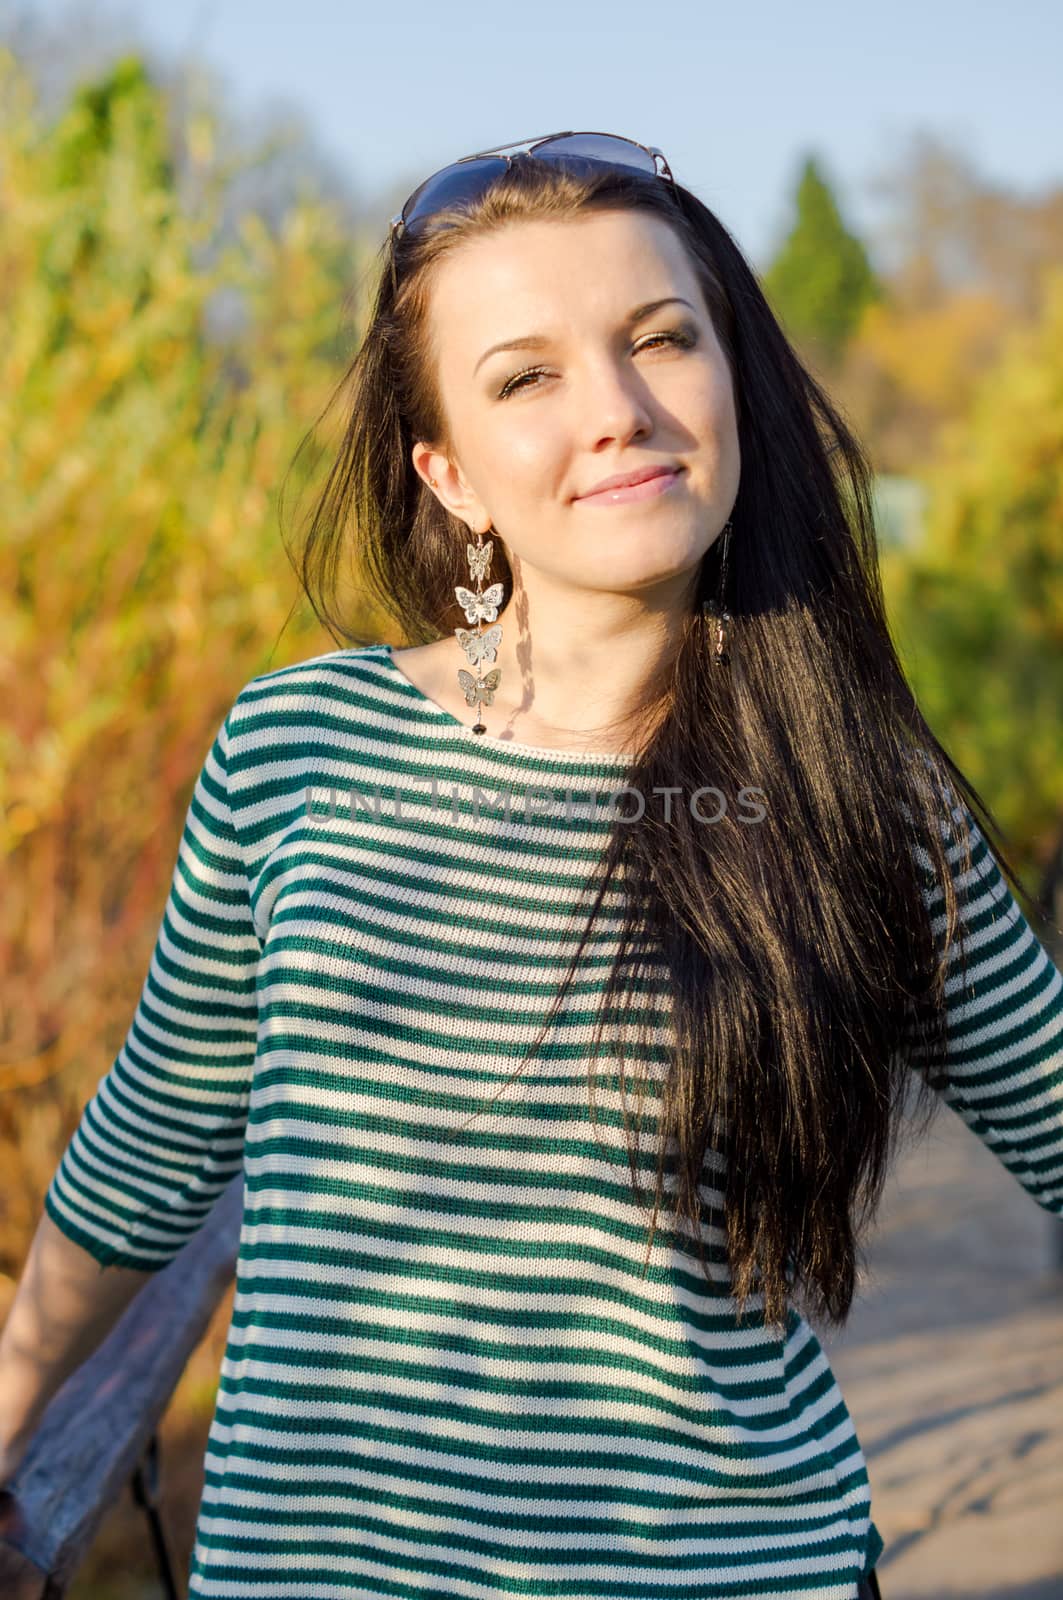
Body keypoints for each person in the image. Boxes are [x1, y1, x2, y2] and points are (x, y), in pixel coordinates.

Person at [2, 131, 1061, 1600]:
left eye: (661, 339)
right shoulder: (299, 746)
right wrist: (11, 1416)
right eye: (526, 378)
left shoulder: (859, 798)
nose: (618, 411)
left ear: (731, 382)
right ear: (452, 472)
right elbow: (156, 1139)